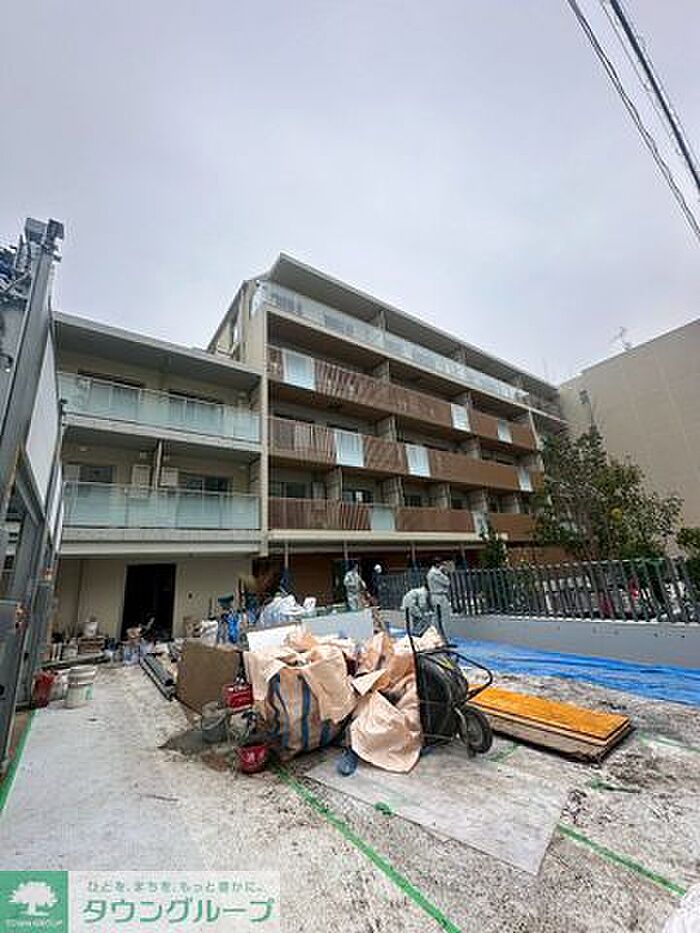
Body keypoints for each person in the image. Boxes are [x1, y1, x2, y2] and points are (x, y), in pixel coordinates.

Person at [427, 557, 452, 628]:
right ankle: (439, 631)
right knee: (443, 615)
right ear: (437, 564)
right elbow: (447, 582)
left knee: (437, 615)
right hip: (439, 596)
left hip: (437, 596)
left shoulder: (432, 572)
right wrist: (444, 572)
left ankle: (435, 631)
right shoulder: (435, 573)